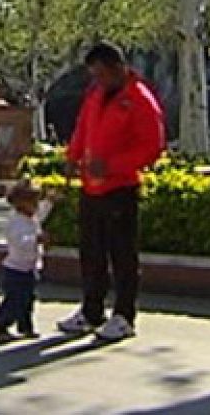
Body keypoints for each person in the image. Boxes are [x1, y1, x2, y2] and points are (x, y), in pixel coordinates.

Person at [57, 43, 166, 343]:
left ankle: (124, 315)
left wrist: (113, 167)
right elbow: (83, 127)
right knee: (91, 252)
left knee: (121, 254)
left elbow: (152, 147)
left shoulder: (140, 99)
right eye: (94, 75)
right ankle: (91, 311)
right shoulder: (94, 95)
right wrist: (72, 156)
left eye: (102, 74)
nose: (98, 80)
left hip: (120, 188)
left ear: (119, 67)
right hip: (92, 187)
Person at [0, 180, 57, 341]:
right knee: (14, 300)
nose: (35, 206)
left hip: (29, 268)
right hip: (15, 270)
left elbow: (42, 213)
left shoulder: (31, 217)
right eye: (32, 203)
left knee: (28, 300)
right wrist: (37, 239)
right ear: (20, 204)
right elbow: (20, 242)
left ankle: (25, 326)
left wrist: (50, 201)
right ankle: (0, 326)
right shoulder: (16, 223)